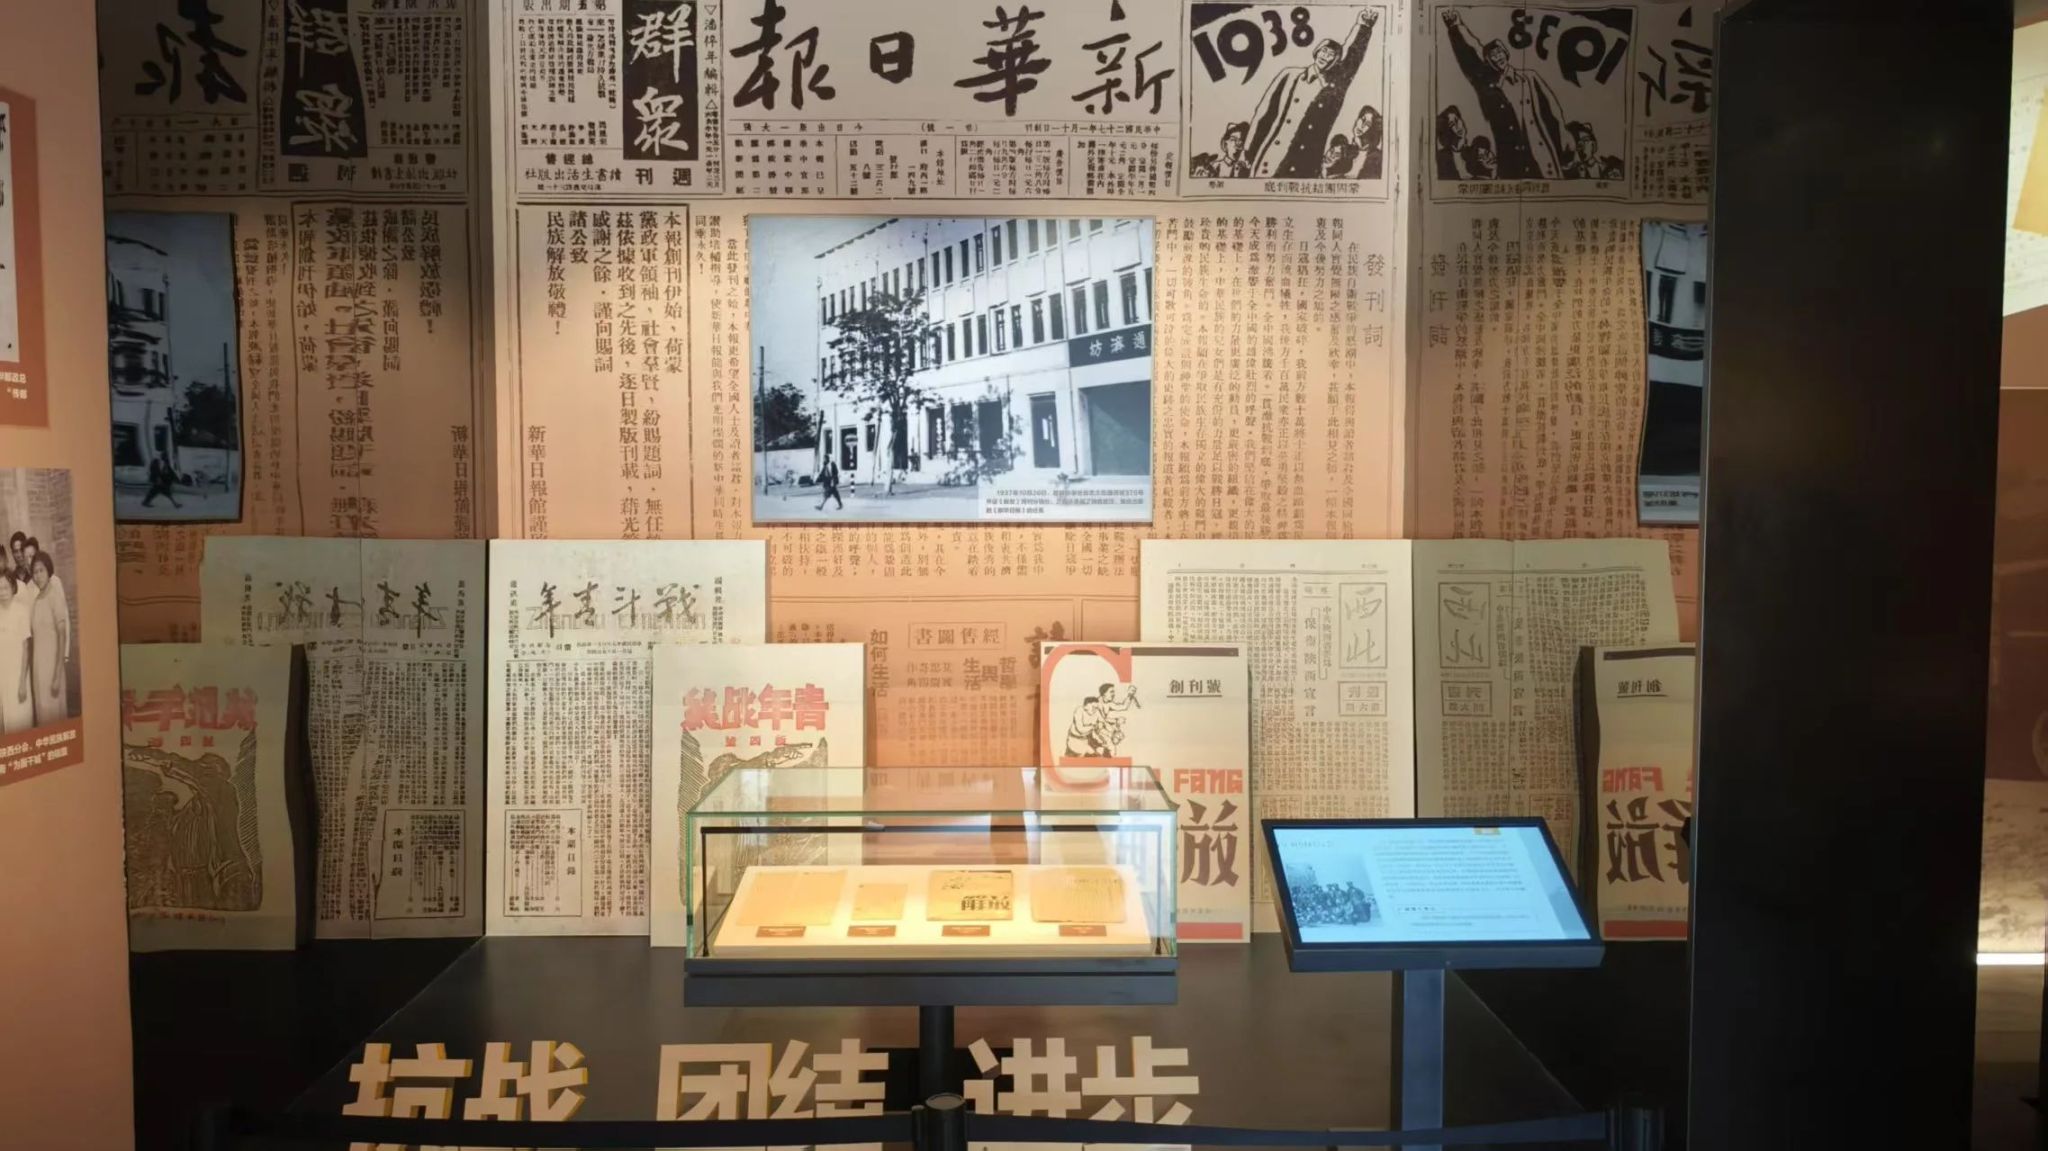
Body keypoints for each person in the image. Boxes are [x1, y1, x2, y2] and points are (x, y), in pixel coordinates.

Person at [1245, 9, 1380, 179]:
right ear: (1317, 51)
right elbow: (1264, 114)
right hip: (1271, 158)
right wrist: (1249, 149)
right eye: (1324, 51)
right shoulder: (1290, 75)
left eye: (1331, 55)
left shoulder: (1334, 87)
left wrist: (1364, 26)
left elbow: (1352, 58)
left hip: (1304, 164)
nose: (1325, 56)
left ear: (1336, 61)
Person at [1442, 9, 1568, 180]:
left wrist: (1565, 143)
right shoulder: (1487, 85)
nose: (1498, 57)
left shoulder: (1529, 78)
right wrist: (1456, 26)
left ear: (1506, 53)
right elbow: (1471, 53)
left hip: (1541, 157)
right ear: (1488, 61)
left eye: (1500, 52)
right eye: (1492, 55)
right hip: (1511, 163)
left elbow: (1552, 112)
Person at [28, 553, 68, 726]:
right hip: (39, 670)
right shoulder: (36, 600)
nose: (38, 576)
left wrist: (57, 674)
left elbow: (62, 635)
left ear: (48, 570)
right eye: (35, 572)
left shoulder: (55, 596)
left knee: (55, 719)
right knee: (43, 715)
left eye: (41, 570)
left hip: (52, 669)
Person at [0, 572, 32, 735]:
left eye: (5, 588)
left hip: (18, 674)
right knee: (6, 720)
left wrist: (22, 683)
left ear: (13, 587)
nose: (2, 592)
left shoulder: (21, 610)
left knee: (20, 719)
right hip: (3, 675)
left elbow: (26, 648)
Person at [1350, 105, 1385, 179]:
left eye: (1368, 124)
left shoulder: (1377, 157)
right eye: (1362, 119)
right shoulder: (1347, 150)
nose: (1362, 126)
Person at [1436, 106, 1468, 178]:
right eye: (1452, 124)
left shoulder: (1473, 152)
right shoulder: (1442, 157)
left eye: (1457, 120)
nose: (1457, 126)